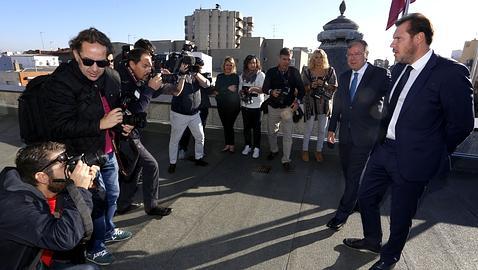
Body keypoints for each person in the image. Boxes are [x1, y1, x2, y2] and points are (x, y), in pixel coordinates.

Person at [343, 13, 475, 270]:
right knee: (366, 197)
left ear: (419, 38)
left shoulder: (450, 73)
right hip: (384, 150)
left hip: (416, 158)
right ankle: (372, 240)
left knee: (400, 214)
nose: (392, 44)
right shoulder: (398, 68)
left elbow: (462, 125)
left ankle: (390, 256)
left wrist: (432, 149)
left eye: (398, 38)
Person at [44, 28, 132, 265]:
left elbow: (114, 110)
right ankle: (95, 246)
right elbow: (58, 127)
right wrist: (100, 123)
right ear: (75, 54)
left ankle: (108, 229)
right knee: (95, 203)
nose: (95, 67)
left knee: (113, 195)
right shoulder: (61, 82)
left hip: (107, 151)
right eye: (88, 61)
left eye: (101, 61)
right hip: (81, 156)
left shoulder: (111, 77)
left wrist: (120, 126)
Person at [0, 142, 99, 270]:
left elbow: (95, 210)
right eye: (62, 162)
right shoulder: (15, 206)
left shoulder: (52, 187)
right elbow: (64, 238)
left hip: (40, 257)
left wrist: (90, 187)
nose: (71, 166)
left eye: (68, 158)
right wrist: (79, 191)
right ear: (42, 177)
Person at [326, 40, 390, 231]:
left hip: (366, 137)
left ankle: (342, 213)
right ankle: (356, 200)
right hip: (345, 135)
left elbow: (393, 101)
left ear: (366, 55)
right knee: (348, 173)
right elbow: (338, 104)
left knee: (353, 175)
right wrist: (331, 128)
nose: (352, 58)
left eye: (357, 54)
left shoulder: (380, 75)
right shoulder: (344, 77)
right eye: (349, 55)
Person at [115, 47, 172, 217]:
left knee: (133, 171)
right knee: (151, 166)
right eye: (145, 65)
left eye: (150, 65)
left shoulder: (133, 78)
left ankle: (123, 204)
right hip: (124, 135)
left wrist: (161, 81)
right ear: (132, 63)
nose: (149, 69)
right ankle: (151, 206)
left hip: (129, 133)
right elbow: (137, 108)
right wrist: (150, 89)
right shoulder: (122, 81)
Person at [262, 48, 305, 171]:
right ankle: (274, 150)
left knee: (287, 135)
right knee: (271, 132)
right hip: (273, 107)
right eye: (284, 59)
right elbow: (265, 88)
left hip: (287, 109)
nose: (286, 62)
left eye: (289, 59)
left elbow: (301, 90)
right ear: (279, 58)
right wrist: (271, 92)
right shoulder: (271, 71)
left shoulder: (294, 72)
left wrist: (297, 102)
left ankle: (286, 159)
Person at [167, 56, 210, 173]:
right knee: (175, 139)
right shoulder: (176, 75)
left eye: (189, 64)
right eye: (185, 64)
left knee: (200, 137)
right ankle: (172, 163)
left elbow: (207, 84)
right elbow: (175, 91)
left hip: (195, 114)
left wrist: (195, 73)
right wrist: (181, 74)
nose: (187, 66)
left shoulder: (196, 75)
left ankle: (199, 157)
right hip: (179, 114)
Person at [301, 49, 338, 162]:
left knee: (322, 130)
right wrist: (311, 85)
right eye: (316, 57)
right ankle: (305, 150)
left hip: (325, 104)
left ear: (324, 58)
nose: (318, 60)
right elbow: (303, 88)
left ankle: (318, 151)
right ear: (312, 59)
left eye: (320, 57)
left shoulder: (330, 70)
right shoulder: (307, 71)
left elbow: (335, 87)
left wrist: (325, 84)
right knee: (308, 129)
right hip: (310, 104)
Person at [178, 57, 213, 159]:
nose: (200, 69)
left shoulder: (204, 76)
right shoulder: (185, 76)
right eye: (198, 67)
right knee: (186, 131)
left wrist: (197, 74)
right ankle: (183, 148)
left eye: (201, 68)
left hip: (202, 107)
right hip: (189, 109)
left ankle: (199, 152)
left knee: (201, 131)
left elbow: (208, 86)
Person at [239, 55, 266, 159]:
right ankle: (248, 145)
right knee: (246, 127)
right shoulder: (242, 75)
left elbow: (263, 89)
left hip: (257, 106)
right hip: (245, 105)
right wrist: (242, 91)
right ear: (247, 64)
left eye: (254, 63)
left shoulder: (261, 75)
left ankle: (257, 148)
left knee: (256, 128)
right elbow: (240, 89)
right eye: (250, 63)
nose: (252, 65)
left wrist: (252, 89)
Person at [214, 57, 241, 153]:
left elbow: (234, 90)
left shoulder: (235, 76)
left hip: (233, 106)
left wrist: (222, 90)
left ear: (233, 66)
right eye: (227, 65)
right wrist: (227, 88)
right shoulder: (220, 76)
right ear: (224, 66)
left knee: (229, 124)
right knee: (225, 125)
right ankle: (228, 144)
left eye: (231, 65)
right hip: (221, 104)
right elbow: (216, 90)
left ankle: (231, 145)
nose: (228, 67)